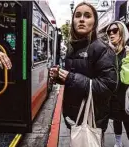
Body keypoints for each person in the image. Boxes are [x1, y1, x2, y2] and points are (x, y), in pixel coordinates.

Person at [50, 1, 118, 140]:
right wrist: (60, 77)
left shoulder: (102, 49)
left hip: (92, 118)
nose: (81, 19)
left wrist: (72, 78)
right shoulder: (71, 48)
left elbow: (108, 86)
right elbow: (74, 78)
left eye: (87, 16)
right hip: (73, 116)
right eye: (78, 15)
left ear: (94, 22)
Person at [105, 21, 129, 147]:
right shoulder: (109, 51)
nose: (111, 34)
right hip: (115, 94)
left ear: (122, 32)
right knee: (116, 119)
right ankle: (118, 142)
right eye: (109, 31)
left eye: (115, 30)